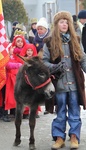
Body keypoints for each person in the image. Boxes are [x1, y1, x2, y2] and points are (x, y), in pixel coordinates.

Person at [42, 11, 86, 150]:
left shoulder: (76, 40)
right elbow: (44, 62)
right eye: (61, 22)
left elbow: (83, 59)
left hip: (74, 84)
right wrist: (54, 67)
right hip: (59, 85)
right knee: (60, 112)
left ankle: (74, 137)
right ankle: (59, 138)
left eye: (67, 22)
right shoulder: (49, 42)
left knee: (74, 111)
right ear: (56, 25)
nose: (64, 24)